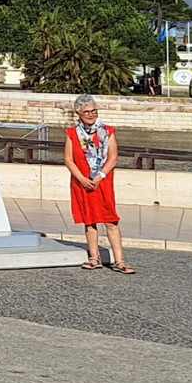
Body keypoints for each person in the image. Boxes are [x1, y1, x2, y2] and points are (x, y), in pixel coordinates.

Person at [64, 94, 133, 273]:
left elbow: (113, 157)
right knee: (90, 221)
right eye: (87, 112)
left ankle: (120, 261)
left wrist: (99, 176)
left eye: (94, 111)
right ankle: (94, 258)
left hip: (102, 182)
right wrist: (82, 179)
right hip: (82, 182)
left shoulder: (107, 131)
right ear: (78, 113)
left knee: (110, 220)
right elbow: (69, 160)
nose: (91, 114)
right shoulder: (72, 134)